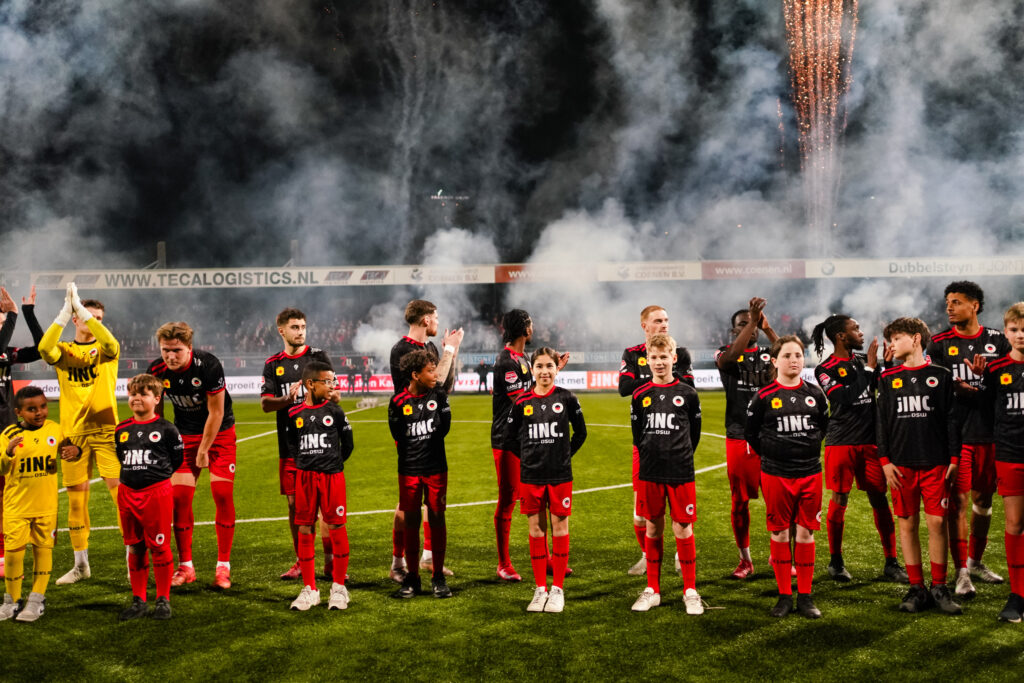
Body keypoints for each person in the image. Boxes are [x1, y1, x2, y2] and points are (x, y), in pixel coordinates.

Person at [926, 281, 1010, 598]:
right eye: (947, 301)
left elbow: (1006, 387)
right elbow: (933, 390)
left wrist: (978, 389)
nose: (949, 307)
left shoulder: (997, 341)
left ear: (974, 305)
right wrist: (954, 391)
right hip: (956, 437)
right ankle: (961, 573)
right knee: (958, 504)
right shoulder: (939, 344)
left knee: (984, 502)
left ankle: (975, 561)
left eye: (957, 302)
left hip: (990, 433)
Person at [812, 314, 906, 583]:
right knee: (840, 498)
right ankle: (836, 561)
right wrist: (870, 369)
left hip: (871, 441)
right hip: (841, 441)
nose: (861, 333)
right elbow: (844, 397)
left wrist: (887, 365)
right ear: (841, 336)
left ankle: (891, 562)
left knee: (879, 498)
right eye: (856, 329)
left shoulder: (864, 361)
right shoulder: (825, 368)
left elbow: (883, 389)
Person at [877, 317, 962, 615]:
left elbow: (952, 420)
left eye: (896, 339)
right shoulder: (888, 378)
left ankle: (939, 586)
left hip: (935, 463)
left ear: (915, 339)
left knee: (937, 523)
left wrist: (954, 458)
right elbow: (881, 423)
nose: (891, 345)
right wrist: (885, 461)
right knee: (907, 524)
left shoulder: (941, 375)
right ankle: (917, 588)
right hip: (901, 466)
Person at [38, 283, 121, 585]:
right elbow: (44, 349)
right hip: (72, 437)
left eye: (98, 318)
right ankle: (80, 565)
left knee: (121, 500)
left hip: (106, 432)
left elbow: (109, 341)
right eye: (87, 316)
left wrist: (84, 312)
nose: (94, 321)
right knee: (75, 504)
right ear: (74, 319)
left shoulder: (107, 350)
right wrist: (64, 312)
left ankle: (133, 561)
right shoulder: (63, 351)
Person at [148, 322, 237, 589]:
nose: (170, 356)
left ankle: (223, 567)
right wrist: (160, 444)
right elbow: (157, 412)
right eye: (165, 350)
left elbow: (217, 412)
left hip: (219, 434)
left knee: (222, 494)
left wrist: (204, 450)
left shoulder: (208, 365)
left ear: (189, 347)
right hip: (184, 436)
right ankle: (186, 567)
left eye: (176, 350)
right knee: (179, 499)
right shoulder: (156, 370)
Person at [745, 335, 828, 618]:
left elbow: (823, 426)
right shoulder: (764, 396)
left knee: (805, 533)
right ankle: (784, 597)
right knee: (780, 532)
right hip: (776, 474)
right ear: (775, 360)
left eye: (798, 355)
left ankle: (805, 596)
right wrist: (774, 453)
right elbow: (751, 433)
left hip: (810, 472)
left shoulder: (815, 394)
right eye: (787, 355)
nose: (794, 360)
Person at [629, 334, 703, 614]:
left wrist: (678, 454)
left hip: (680, 471)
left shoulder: (688, 393)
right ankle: (653, 590)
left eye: (664, 357)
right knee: (652, 527)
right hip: (650, 471)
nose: (659, 362)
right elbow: (638, 435)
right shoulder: (640, 394)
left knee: (683, 528)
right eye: (654, 357)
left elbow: (694, 435)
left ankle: (690, 590)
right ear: (647, 360)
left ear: (674, 358)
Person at [388, 299, 461, 581]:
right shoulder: (402, 349)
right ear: (426, 319)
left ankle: (429, 557)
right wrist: (449, 350)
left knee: (433, 503)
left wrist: (451, 352)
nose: (438, 322)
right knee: (406, 505)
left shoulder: (430, 348)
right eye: (436, 317)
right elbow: (435, 384)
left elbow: (445, 386)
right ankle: (397, 563)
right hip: (411, 432)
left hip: (431, 431)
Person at [509, 347, 586, 613]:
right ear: (532, 370)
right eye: (539, 366)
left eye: (549, 366)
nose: (544, 371)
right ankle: (540, 588)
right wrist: (528, 457)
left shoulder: (567, 398)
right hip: (531, 476)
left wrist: (564, 455)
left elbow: (581, 433)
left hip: (559, 475)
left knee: (560, 528)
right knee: (536, 530)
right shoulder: (521, 401)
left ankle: (558, 589)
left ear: (556, 368)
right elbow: (510, 438)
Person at [260, 308, 335, 580]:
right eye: (294, 327)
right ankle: (302, 562)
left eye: (303, 326)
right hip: (289, 446)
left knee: (325, 507)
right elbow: (266, 404)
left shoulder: (318, 356)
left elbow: (335, 392)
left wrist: (323, 393)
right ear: (281, 331)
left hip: (320, 442)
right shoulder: (273, 364)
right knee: (295, 507)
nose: (300, 331)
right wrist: (288, 400)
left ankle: (330, 562)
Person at [619, 305, 694, 576]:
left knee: (682, 512)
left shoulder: (680, 352)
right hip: (645, 443)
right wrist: (657, 378)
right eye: (658, 320)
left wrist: (655, 376)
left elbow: (689, 387)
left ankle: (681, 555)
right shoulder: (632, 353)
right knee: (641, 512)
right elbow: (623, 388)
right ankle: (645, 556)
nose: (664, 324)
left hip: (676, 441)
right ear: (645, 326)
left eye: (666, 320)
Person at [0, 386, 81, 622]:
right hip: (16, 507)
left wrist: (75, 451)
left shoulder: (55, 429)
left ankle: (36, 600)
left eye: (43, 407)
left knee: (42, 551)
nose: (39, 412)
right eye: (32, 409)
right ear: (18, 412)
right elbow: (1, 469)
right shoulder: (8, 435)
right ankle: (11, 601)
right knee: (13, 556)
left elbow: (72, 451)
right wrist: (8, 452)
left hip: (46, 507)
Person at [716, 297, 778, 579]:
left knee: (777, 500)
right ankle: (745, 560)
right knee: (740, 503)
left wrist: (766, 327)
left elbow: (790, 353)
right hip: (739, 436)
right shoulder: (724, 354)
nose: (749, 326)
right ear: (734, 331)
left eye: (752, 322)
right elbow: (730, 359)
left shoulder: (770, 354)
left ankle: (779, 555)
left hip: (772, 435)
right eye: (743, 324)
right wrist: (753, 322)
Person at [114, 374, 184, 621]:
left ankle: (163, 599)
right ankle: (139, 600)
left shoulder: (166, 429)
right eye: (133, 393)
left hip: (156, 493)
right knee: (135, 545)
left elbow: (176, 460)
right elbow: (120, 456)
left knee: (159, 546)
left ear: (157, 398)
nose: (137, 398)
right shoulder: (122, 429)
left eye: (143, 394)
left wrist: (156, 477)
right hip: (127, 493)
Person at [286, 362, 354, 611]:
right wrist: (306, 463)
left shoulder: (335, 411)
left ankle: (339, 588)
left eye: (333, 381)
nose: (332, 385)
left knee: (336, 525)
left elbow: (348, 444)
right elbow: (292, 445)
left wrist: (332, 463)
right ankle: (310, 589)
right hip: (305, 477)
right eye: (327, 381)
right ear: (310, 384)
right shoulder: (294, 414)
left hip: (331, 477)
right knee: (305, 527)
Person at [388, 350, 453, 599]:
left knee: (436, 518)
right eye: (430, 371)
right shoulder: (397, 402)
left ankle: (437, 577)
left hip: (436, 468)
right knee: (412, 522)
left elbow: (444, 429)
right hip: (409, 470)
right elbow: (397, 435)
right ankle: (412, 578)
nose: (435, 375)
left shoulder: (439, 396)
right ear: (415, 375)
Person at [975, 303, 1024, 621]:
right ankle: (1017, 596)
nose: (1021, 335)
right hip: (1010, 455)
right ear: (1005, 332)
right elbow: (984, 412)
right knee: (1015, 524)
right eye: (1015, 329)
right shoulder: (995, 370)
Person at [0, 286, 44, 578]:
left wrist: (27, 313)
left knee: (8, 496)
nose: (1, 323)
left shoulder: (6, 353)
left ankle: (4, 554)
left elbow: (41, 349)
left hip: (5, 430)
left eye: (1, 320)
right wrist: (13, 315)